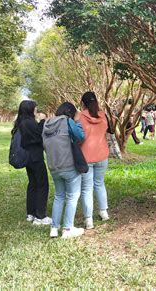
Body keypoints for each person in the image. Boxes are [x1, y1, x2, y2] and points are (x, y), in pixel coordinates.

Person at [42, 102, 85, 239]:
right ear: (70, 112)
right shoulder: (68, 121)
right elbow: (80, 136)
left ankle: (54, 228)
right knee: (72, 197)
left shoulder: (46, 124)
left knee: (59, 196)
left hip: (54, 166)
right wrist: (77, 122)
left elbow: (44, 145)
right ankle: (67, 229)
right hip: (69, 165)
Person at [12, 100, 51, 225]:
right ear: (30, 110)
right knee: (42, 184)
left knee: (33, 184)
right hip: (35, 158)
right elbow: (39, 136)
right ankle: (40, 216)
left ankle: (31, 213)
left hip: (28, 158)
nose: (36, 111)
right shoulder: (29, 123)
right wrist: (44, 120)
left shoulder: (21, 122)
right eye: (35, 109)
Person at [79, 92, 110, 229]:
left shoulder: (79, 117)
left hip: (86, 157)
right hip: (102, 155)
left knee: (86, 188)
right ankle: (104, 213)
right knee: (99, 184)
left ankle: (88, 220)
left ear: (83, 103)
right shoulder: (103, 116)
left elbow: (78, 136)